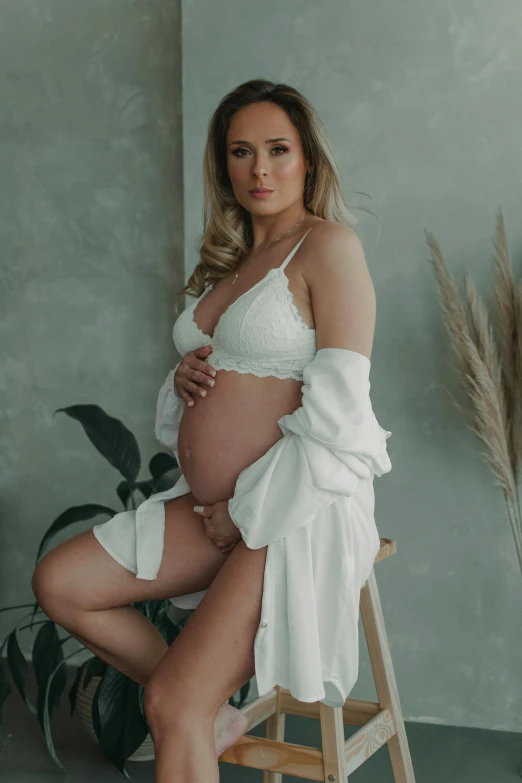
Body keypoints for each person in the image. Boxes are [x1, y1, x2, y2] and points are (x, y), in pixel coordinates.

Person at [31, 78, 392, 783]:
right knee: (62, 582)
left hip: (293, 512)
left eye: (278, 150)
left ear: (308, 161)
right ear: (223, 165)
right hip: (217, 512)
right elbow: (233, 383)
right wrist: (186, 381)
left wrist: (246, 508)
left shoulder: (329, 248)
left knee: (169, 704)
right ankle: (205, 710)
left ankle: (189, 707)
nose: (260, 169)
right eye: (241, 152)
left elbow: (342, 421)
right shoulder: (227, 263)